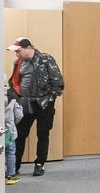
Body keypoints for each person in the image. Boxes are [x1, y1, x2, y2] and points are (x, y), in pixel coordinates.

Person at [7, 37, 64, 176]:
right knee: (20, 134)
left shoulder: (45, 59)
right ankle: (15, 166)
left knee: (43, 133)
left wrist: (49, 99)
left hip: (44, 104)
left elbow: (58, 82)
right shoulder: (18, 63)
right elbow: (15, 82)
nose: (17, 54)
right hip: (26, 104)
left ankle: (39, 164)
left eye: (19, 51)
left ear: (28, 48)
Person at [4, 91, 23, 185]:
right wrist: (13, 123)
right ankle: (10, 175)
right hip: (9, 130)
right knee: (10, 152)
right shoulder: (12, 95)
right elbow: (19, 115)